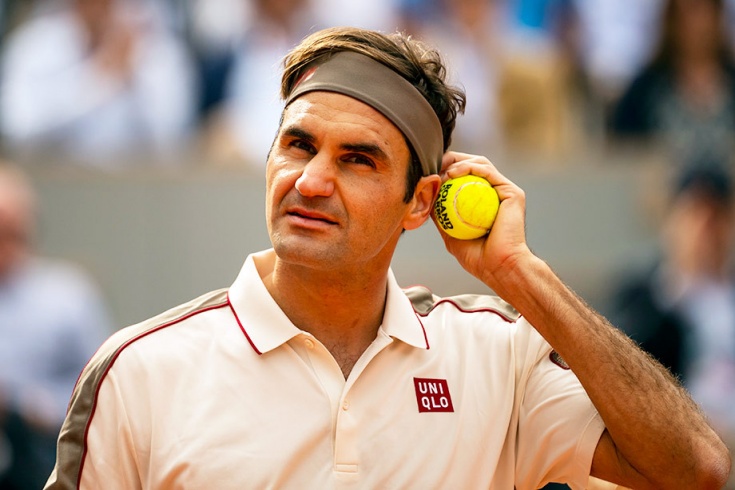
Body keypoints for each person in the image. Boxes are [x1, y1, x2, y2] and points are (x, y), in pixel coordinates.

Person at [45, 27, 730, 489]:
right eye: (297, 145)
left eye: (358, 159)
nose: (312, 180)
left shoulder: (497, 355)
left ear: (420, 203)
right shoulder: (136, 372)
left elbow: (695, 470)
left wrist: (519, 273)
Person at [610, 163, 735, 470]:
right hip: (673, 444)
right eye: (694, 213)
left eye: (715, 216)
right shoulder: (643, 297)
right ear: (672, 219)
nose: (704, 228)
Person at [0, 162, 111, 489]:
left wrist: (32, 406)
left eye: (13, 233)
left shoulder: (67, 296)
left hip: (40, 450)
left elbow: (102, 391)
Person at [0, 0, 196, 168]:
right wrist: (99, 83)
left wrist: (133, 78)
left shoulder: (156, 46)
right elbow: (18, 130)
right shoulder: (32, 47)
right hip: (53, 185)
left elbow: (174, 138)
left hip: (138, 187)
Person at [608, 0, 735, 170]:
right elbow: (619, 150)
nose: (697, 26)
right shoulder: (645, 91)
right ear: (671, 22)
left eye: (705, 14)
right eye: (688, 15)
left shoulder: (731, 83)